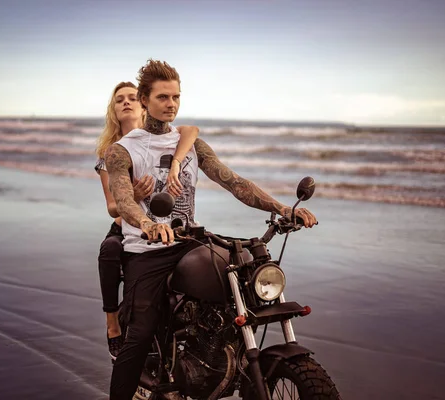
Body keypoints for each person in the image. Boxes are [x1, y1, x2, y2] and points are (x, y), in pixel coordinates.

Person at [105, 59, 317, 399]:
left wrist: (280, 208)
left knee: (241, 270)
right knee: (140, 334)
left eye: (176, 97)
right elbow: (123, 199)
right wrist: (147, 223)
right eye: (162, 97)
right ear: (144, 100)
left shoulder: (191, 145)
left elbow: (234, 182)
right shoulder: (123, 149)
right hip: (146, 249)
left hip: (188, 240)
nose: (171, 104)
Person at [95, 81, 199, 360]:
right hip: (126, 228)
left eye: (131, 97)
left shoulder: (162, 138)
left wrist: (177, 161)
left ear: (142, 105)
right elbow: (112, 208)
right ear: (114, 111)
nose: (126, 103)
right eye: (119, 100)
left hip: (169, 228)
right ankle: (112, 324)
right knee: (109, 251)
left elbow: (190, 131)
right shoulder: (111, 152)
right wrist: (135, 195)